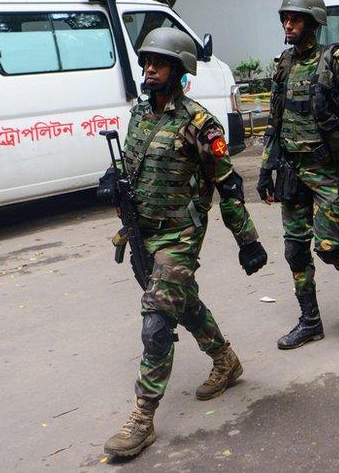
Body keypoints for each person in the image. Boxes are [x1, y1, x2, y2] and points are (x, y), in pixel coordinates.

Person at [100, 28, 269, 459]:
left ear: (179, 69)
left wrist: (246, 240)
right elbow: (136, 165)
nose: (149, 69)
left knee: (156, 320)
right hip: (144, 231)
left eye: (158, 63)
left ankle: (142, 417)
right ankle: (225, 359)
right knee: (181, 301)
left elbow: (228, 185)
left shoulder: (199, 123)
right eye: (146, 62)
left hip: (180, 234)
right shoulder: (140, 114)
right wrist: (112, 184)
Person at [257, 0, 339, 349]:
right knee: (295, 250)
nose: (287, 25)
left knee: (328, 246)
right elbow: (274, 122)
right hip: (293, 170)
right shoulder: (283, 65)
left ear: (312, 24)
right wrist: (266, 169)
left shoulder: (335, 62)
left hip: (326, 171)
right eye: (284, 19)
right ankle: (310, 321)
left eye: (295, 20)